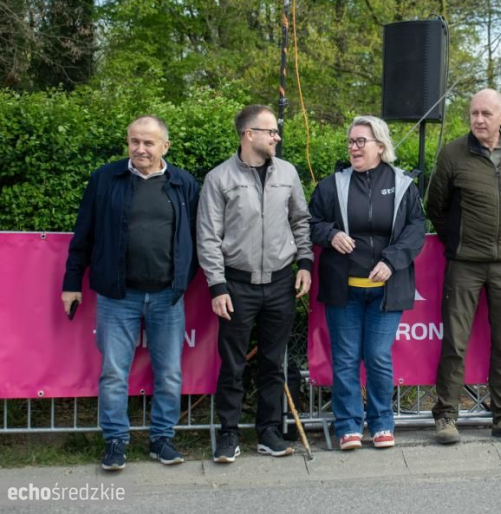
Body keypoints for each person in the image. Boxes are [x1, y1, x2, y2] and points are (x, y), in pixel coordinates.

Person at [62, 116, 200, 471]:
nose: (140, 149)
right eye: (134, 141)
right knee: (113, 371)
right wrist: (71, 283)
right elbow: (83, 235)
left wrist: (184, 278)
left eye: (148, 143)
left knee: (169, 372)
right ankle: (115, 441)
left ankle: (162, 439)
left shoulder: (183, 183)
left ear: (164, 147)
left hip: (167, 297)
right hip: (117, 296)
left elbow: (199, 240)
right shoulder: (105, 179)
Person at [197, 104, 313, 462]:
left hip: (281, 283)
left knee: (273, 362)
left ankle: (268, 432)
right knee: (232, 364)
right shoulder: (219, 179)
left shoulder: (289, 173)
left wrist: (305, 263)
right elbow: (208, 236)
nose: (277, 136)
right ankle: (228, 435)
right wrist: (217, 286)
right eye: (270, 131)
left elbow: (301, 221)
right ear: (249, 135)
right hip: (236, 285)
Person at [426, 89, 501, 445]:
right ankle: (446, 416)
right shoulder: (452, 153)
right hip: (465, 265)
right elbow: (436, 207)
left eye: (486, 114)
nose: (478, 120)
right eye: (474, 113)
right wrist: (460, 243)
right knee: (455, 343)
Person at [309, 116, 425, 451]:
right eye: (350, 141)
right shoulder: (333, 184)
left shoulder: (403, 185)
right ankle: (347, 425)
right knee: (345, 358)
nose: (354, 147)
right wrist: (330, 234)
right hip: (343, 289)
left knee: (376, 355)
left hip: (387, 291)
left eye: (361, 141)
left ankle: (382, 422)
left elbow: (416, 228)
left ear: (380, 145)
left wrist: (391, 261)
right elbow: (310, 221)